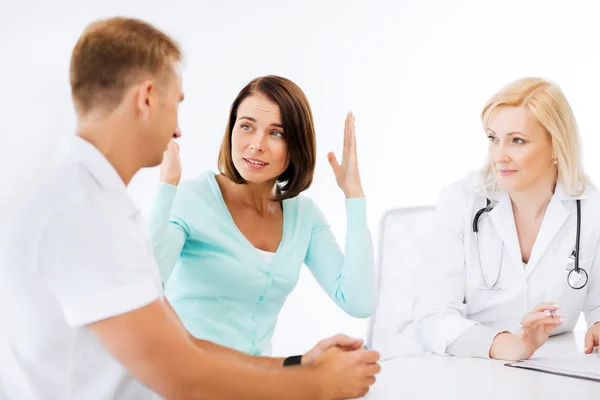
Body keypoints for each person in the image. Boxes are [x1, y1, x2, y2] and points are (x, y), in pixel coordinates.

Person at [0, 17, 380, 399]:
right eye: (176, 104)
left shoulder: (98, 203)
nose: (179, 128)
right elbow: (179, 373)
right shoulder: (83, 212)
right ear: (147, 97)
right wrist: (315, 383)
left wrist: (295, 365)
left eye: (276, 133)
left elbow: (183, 347)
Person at [149, 75, 375, 356]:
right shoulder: (192, 198)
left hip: (259, 383)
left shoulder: (303, 216)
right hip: (190, 382)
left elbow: (359, 301)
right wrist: (167, 184)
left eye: (276, 133)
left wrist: (354, 195)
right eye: (246, 127)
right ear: (231, 130)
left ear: (296, 147)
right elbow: (145, 287)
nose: (257, 144)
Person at [413, 77, 600, 361]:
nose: (499, 156)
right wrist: (509, 345)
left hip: (555, 367)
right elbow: (432, 316)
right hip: (469, 365)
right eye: (493, 138)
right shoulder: (462, 201)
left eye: (517, 141)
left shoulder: (589, 207)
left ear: (555, 145)